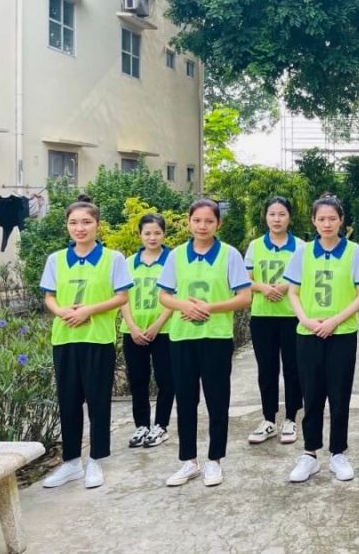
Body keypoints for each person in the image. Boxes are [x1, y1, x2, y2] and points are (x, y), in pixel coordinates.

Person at [158, 199, 252, 488]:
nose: (202, 226)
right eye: (197, 220)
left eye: (209, 221)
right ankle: (189, 461)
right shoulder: (176, 255)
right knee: (186, 400)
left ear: (218, 224)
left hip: (216, 337)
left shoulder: (229, 254)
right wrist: (184, 306)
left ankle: (214, 460)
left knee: (217, 400)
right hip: (182, 337)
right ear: (188, 222)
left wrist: (210, 307)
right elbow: (164, 295)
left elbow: (244, 297)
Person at [40, 196, 132, 489]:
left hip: (97, 339)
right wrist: (61, 311)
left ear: (97, 225)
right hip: (65, 338)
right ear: (67, 226)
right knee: (68, 401)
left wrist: (88, 311)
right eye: (74, 223)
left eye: (86, 222)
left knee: (98, 401)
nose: (80, 228)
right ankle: (70, 463)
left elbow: (121, 297)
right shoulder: (56, 259)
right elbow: (49, 297)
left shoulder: (113, 258)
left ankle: (95, 460)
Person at [285, 194, 359, 483]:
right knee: (311, 395)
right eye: (321, 219)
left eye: (332, 219)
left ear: (341, 221)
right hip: (308, 333)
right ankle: (309, 454)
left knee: (339, 394)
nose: (327, 224)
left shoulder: (355, 252)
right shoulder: (302, 253)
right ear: (313, 221)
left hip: (341, 334)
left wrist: (336, 320)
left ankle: (338, 452)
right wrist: (306, 320)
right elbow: (293, 292)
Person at [244, 196, 302, 446]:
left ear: (290, 217)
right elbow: (245, 279)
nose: (277, 219)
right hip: (262, 317)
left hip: (292, 317)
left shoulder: (301, 247)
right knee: (266, 370)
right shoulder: (255, 246)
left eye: (282, 214)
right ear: (265, 217)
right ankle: (268, 419)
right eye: (272, 214)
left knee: (293, 369)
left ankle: (290, 419)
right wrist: (263, 288)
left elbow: (306, 277)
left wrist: (286, 286)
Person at [119, 213, 175, 450]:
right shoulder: (128, 263)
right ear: (139, 235)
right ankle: (141, 424)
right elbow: (122, 297)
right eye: (147, 233)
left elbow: (175, 296)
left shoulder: (172, 261)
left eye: (157, 233)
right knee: (138, 380)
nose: (152, 237)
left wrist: (157, 324)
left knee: (166, 380)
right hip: (133, 331)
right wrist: (132, 326)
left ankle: (160, 425)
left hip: (164, 330)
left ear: (164, 234)